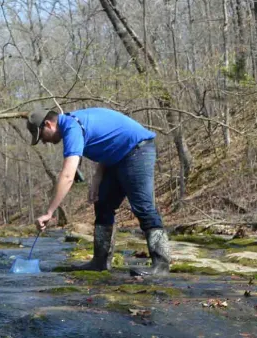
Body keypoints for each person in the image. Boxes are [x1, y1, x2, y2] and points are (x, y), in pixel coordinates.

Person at [26, 107, 171, 275]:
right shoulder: (74, 123)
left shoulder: (72, 128)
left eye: (41, 136)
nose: (44, 141)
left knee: (143, 207)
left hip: (137, 150)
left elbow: (67, 176)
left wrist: (49, 212)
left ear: (48, 124)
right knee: (102, 204)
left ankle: (161, 265)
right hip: (116, 158)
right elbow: (108, 143)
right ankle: (100, 262)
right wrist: (97, 178)